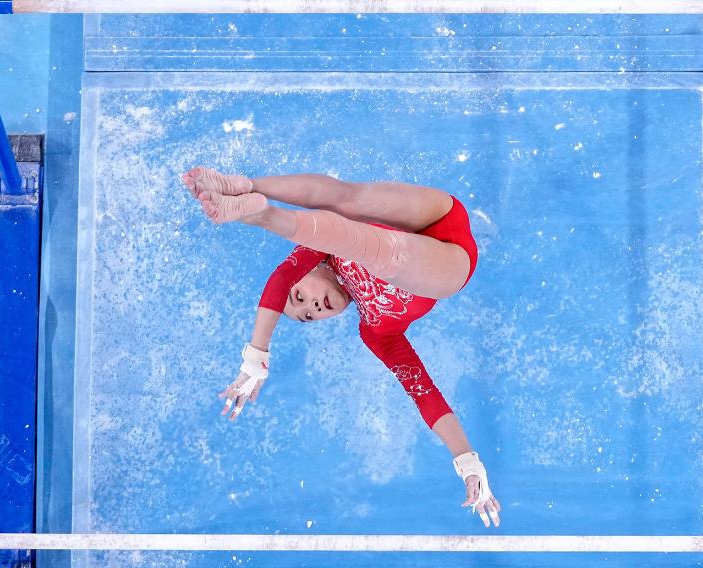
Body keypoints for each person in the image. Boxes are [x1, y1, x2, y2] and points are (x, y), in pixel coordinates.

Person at [183, 167, 501, 528]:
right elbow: (422, 391)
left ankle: (246, 188)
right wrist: (467, 460)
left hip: (440, 216)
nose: (310, 308)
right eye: (306, 317)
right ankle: (263, 214)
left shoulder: (319, 249)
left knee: (349, 200)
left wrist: (257, 354)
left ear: (310, 269)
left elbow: (280, 277)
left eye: (300, 297)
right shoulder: (378, 332)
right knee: (384, 254)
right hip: (448, 264)